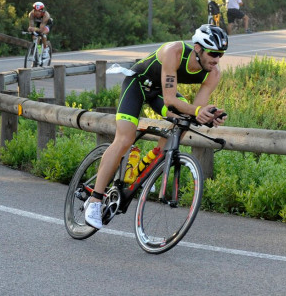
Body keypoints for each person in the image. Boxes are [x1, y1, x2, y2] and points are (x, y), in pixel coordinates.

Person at [84, 24, 229, 229]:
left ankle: (150, 166)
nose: (216, 60)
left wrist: (209, 116)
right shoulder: (175, 52)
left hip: (159, 92)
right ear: (198, 48)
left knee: (183, 124)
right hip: (138, 86)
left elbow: (196, 109)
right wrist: (197, 111)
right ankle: (95, 201)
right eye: (213, 53)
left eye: (221, 55)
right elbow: (170, 100)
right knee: (124, 139)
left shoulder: (213, 74)